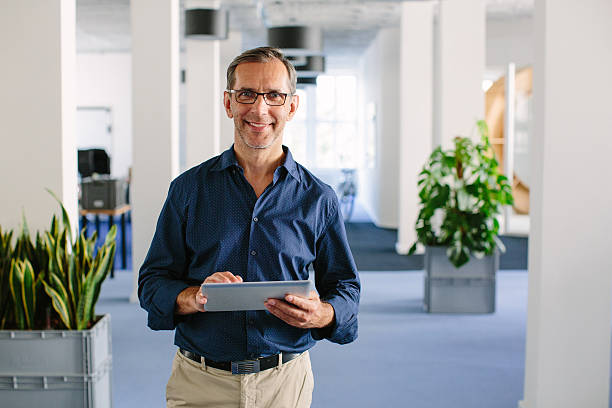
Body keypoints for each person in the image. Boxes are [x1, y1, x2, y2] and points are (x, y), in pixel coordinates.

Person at [138, 46, 360, 408]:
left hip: (284, 384)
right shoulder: (188, 190)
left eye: (274, 95)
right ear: (229, 103)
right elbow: (152, 283)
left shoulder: (319, 198)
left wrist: (323, 314)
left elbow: (346, 287)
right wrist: (193, 297)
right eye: (246, 94)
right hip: (200, 384)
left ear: (291, 105)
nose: (260, 109)